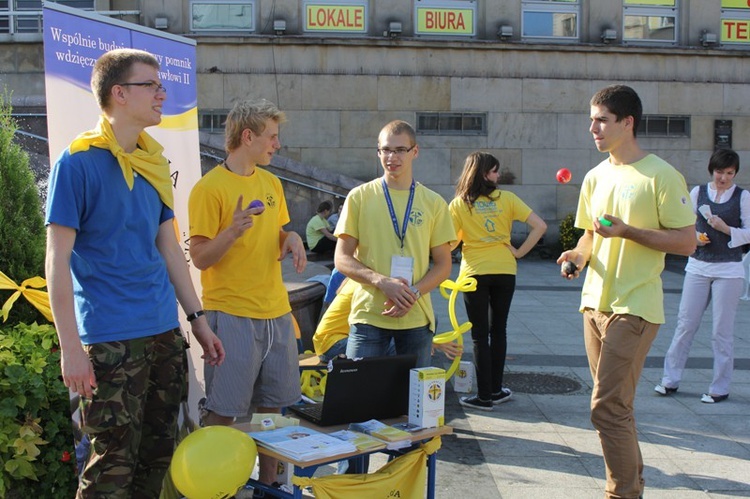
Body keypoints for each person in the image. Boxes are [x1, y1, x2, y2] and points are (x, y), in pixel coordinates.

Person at [45, 48, 225, 498]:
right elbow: (56, 261)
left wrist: (197, 322)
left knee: (158, 456)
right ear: (120, 93)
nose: (163, 94)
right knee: (110, 468)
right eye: (153, 85)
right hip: (109, 340)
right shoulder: (77, 162)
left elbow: (169, 248)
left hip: (163, 331)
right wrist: (71, 348)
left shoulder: (153, 162)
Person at [557, 84, 696, 499]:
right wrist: (578, 257)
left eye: (601, 120)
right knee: (618, 407)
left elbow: (687, 242)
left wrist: (629, 231)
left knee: (605, 408)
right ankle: (633, 485)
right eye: (591, 120)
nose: (592, 128)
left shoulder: (662, 175)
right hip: (594, 305)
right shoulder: (595, 176)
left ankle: (621, 493)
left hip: (635, 306)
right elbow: (589, 236)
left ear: (627, 122)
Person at [187, 98, 306, 490]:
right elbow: (201, 257)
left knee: (273, 410)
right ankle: (220, 489)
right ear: (248, 136)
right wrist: (231, 233)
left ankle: (268, 490)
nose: (277, 144)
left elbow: (276, 236)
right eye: (271, 136)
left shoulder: (272, 183)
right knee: (225, 414)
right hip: (231, 316)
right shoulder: (209, 188)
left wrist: (291, 239)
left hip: (276, 313)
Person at [334, 120, 456, 367]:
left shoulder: (433, 202)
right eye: (386, 150)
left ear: (415, 152)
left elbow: (443, 265)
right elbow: (342, 258)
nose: (392, 157)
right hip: (368, 315)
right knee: (361, 398)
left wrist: (413, 292)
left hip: (416, 317)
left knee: (414, 400)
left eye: (401, 150)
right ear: (378, 152)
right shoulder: (360, 197)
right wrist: (382, 282)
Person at [449, 151, 547, 411]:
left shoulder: (459, 204)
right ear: (483, 173)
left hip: (475, 273)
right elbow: (540, 226)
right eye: (494, 170)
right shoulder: (509, 199)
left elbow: (451, 243)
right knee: (499, 330)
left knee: (480, 336)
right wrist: (518, 251)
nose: (498, 175)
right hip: (505, 269)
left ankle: (484, 397)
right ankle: (495, 389)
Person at [656, 148, 749, 404]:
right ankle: (669, 380)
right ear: (712, 170)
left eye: (729, 173)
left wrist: (726, 229)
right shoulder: (697, 192)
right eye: (720, 172)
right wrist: (696, 237)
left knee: (722, 331)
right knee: (685, 325)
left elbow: (749, 233)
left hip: (729, 270)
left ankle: (720, 387)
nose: (724, 178)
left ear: (735, 173)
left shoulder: (743, 197)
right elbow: (683, 225)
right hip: (697, 266)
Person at [313, 277, 462, 362]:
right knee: (404, 348)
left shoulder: (360, 279)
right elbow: (386, 322)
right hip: (331, 344)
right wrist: (432, 343)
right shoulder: (371, 286)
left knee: (426, 321)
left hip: (329, 339)